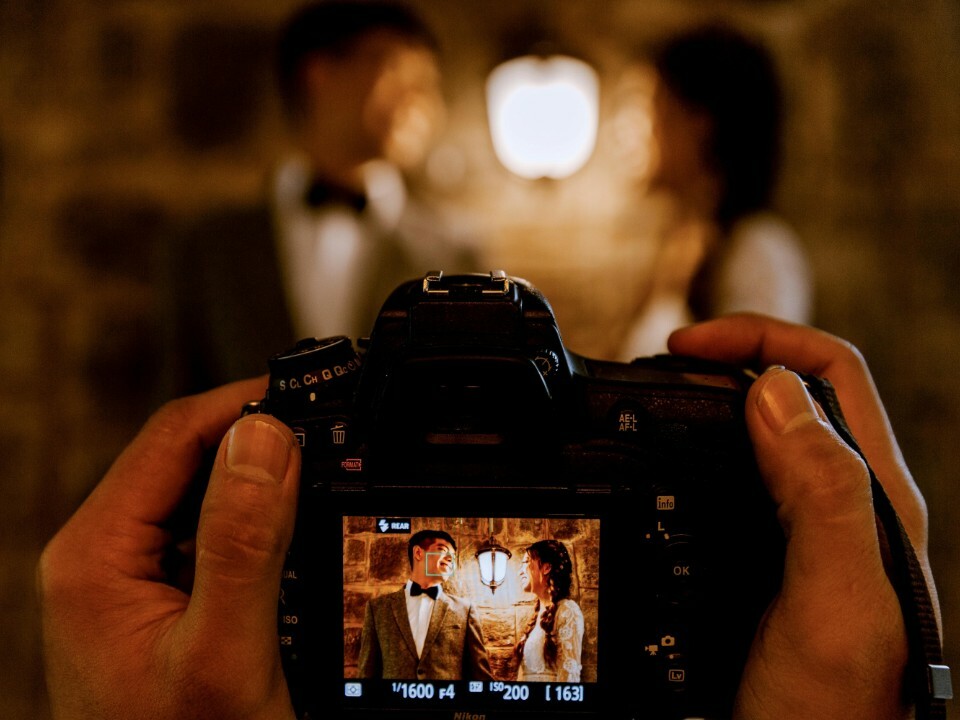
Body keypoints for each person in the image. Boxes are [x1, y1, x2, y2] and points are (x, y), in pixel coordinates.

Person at [38, 314, 939, 720]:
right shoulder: (383, 614)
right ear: (413, 562)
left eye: (446, 556)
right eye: (431, 556)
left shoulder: (542, 614)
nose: (443, 566)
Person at [159, 0, 478, 398]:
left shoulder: (457, 251)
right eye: (398, 70)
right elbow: (182, 404)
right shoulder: (209, 248)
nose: (423, 101)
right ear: (320, 73)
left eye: (430, 83)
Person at [619, 25, 813, 359]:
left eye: (655, 110)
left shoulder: (759, 252)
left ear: (700, 125)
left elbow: (755, 380)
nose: (638, 130)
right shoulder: (688, 247)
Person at [357, 529, 494, 681]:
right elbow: (366, 673)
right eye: (443, 550)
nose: (450, 559)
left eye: (453, 556)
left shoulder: (465, 610)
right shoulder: (377, 609)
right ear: (418, 553)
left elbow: (481, 676)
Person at [515, 539, 584, 683]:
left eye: (526, 562)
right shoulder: (538, 616)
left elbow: (569, 678)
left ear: (546, 568)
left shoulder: (567, 611)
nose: (520, 571)